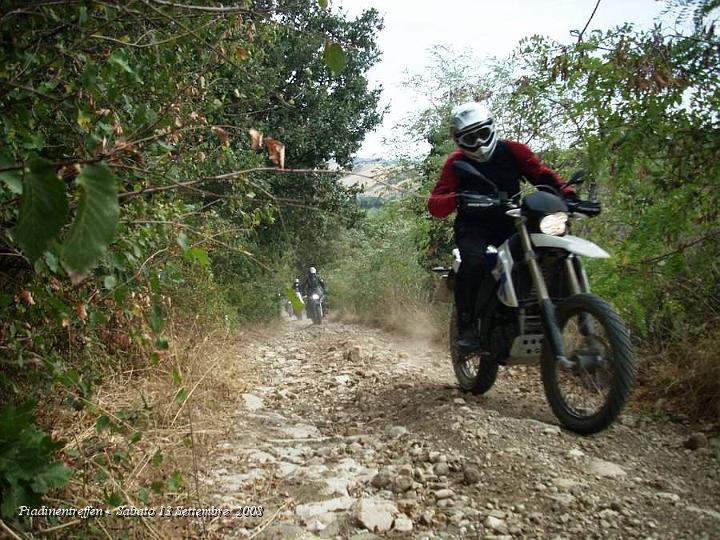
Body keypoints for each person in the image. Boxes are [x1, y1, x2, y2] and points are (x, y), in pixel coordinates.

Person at [427, 102, 589, 350]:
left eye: (482, 134)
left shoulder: (514, 151)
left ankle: (548, 307)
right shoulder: (455, 163)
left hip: (514, 220)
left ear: (491, 128)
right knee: (473, 262)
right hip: (474, 226)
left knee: (548, 251)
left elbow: (542, 175)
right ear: (460, 141)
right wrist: (458, 198)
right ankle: (467, 325)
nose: (479, 143)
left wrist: (569, 196)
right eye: (470, 138)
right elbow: (435, 203)